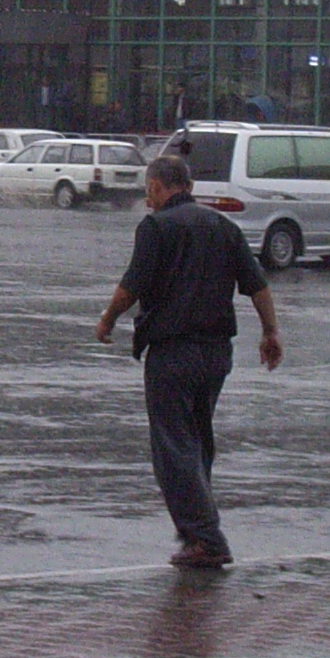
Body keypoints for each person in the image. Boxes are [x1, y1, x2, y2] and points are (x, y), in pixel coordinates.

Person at [94, 155, 283, 569]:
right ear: (190, 186)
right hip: (216, 354)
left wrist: (107, 320)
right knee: (197, 441)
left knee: (173, 446)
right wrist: (270, 332)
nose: (147, 197)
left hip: (173, 353)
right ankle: (197, 532)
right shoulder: (223, 227)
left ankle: (206, 537)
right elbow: (258, 285)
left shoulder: (156, 227)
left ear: (158, 186)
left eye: (148, 189)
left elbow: (132, 285)